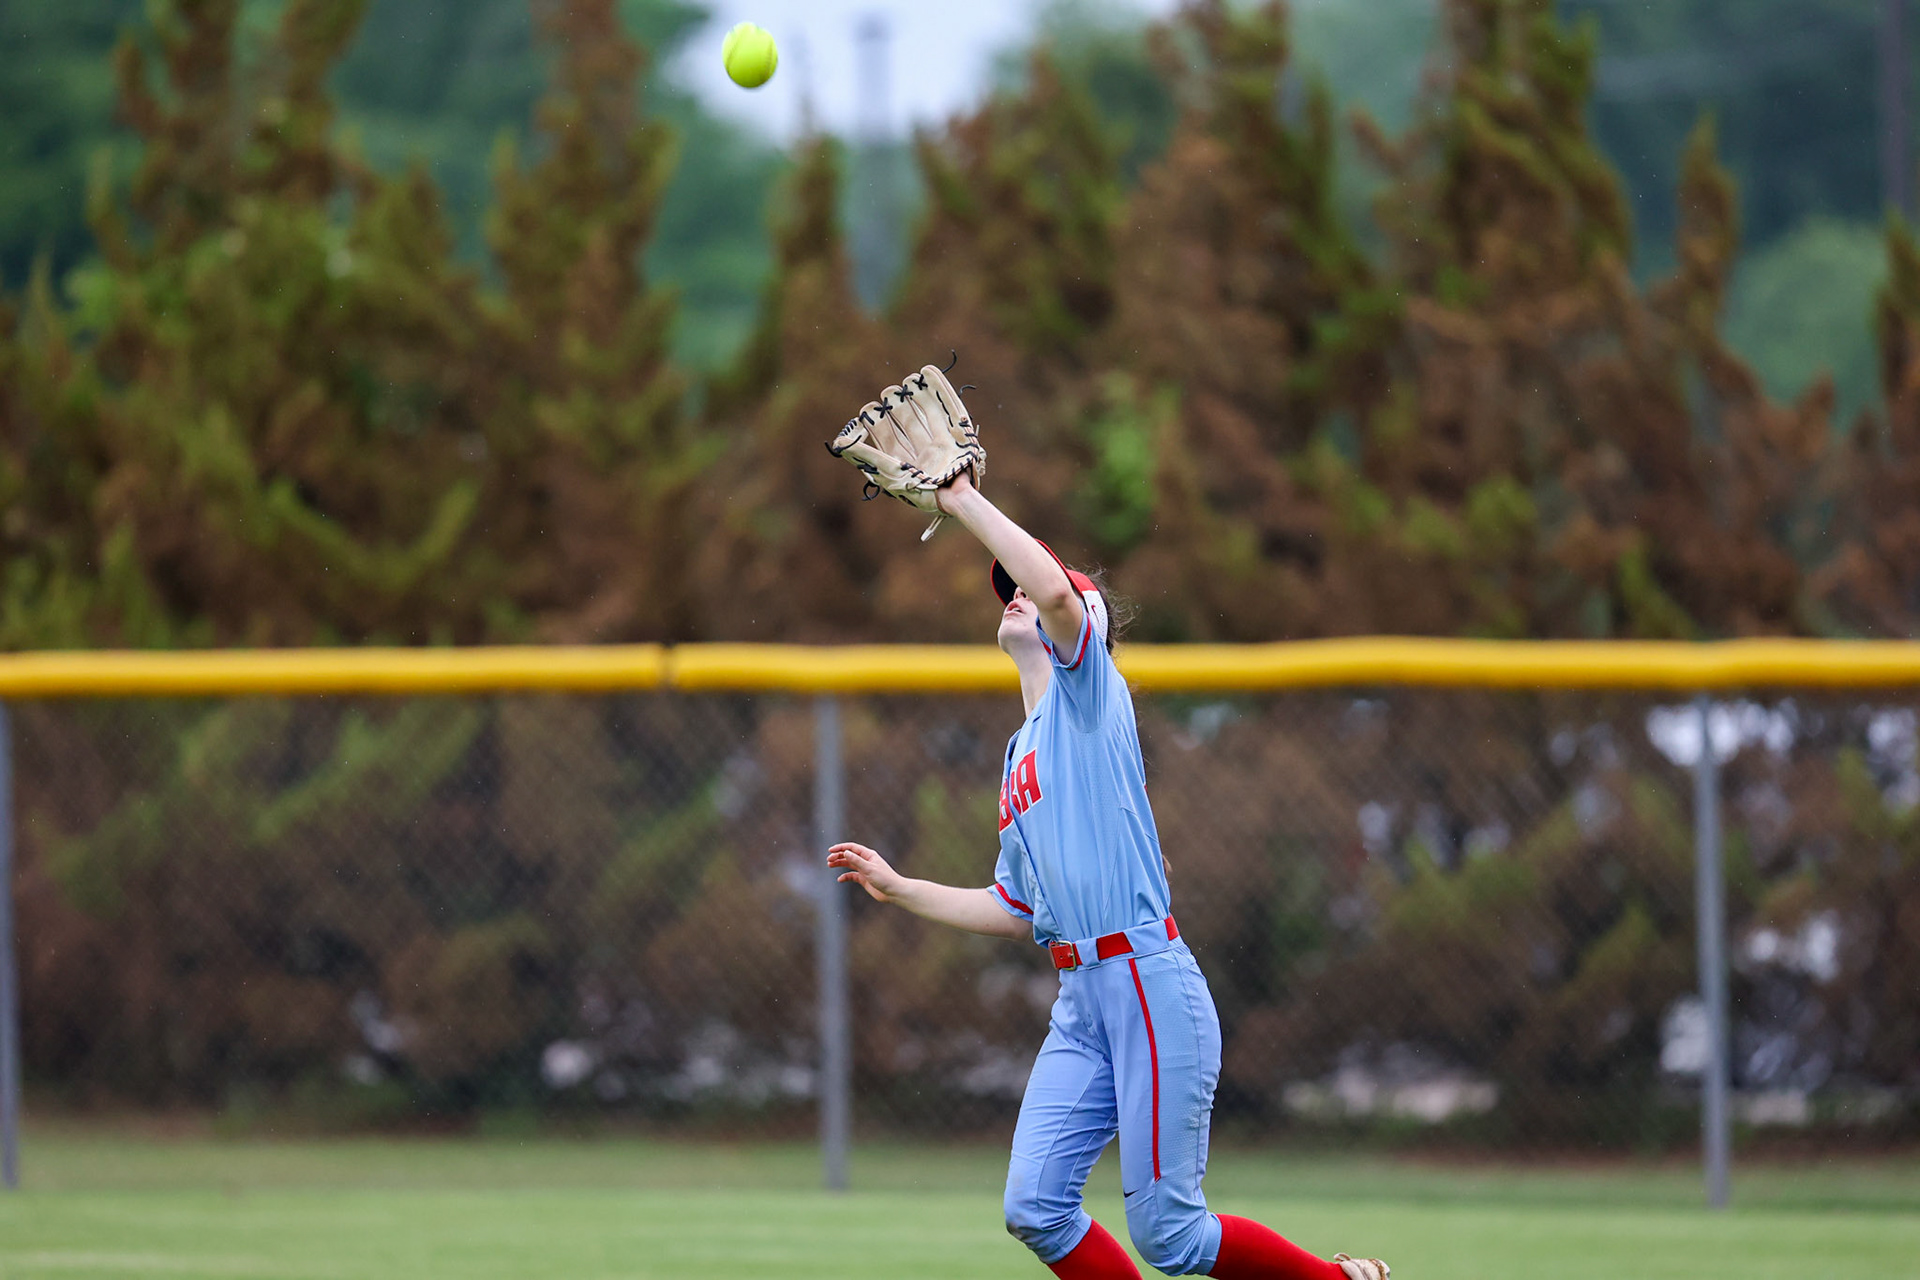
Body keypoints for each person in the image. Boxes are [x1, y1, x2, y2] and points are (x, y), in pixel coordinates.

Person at [826, 469, 1391, 1280]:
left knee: (1172, 1238)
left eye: (1025, 585)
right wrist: (901, 886)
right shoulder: (1022, 756)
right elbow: (1016, 905)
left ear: (1083, 621)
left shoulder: (1090, 692)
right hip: (1081, 1003)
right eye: (1004, 593)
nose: (1013, 597)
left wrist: (961, 502)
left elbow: (1056, 594)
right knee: (1035, 1207)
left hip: (1147, 984)